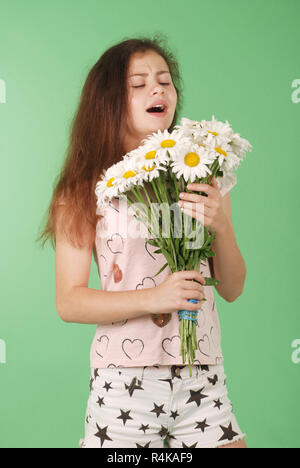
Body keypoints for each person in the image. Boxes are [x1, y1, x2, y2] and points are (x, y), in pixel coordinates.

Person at [37, 34, 247, 448]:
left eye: (165, 81)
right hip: (123, 385)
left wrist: (220, 223)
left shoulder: (202, 174)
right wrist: (154, 297)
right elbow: (69, 301)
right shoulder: (82, 190)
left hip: (203, 376)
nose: (157, 89)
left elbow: (234, 288)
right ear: (110, 101)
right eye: (138, 84)